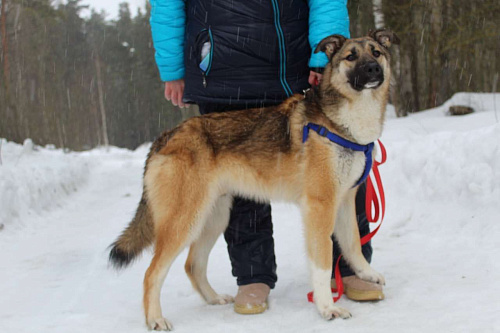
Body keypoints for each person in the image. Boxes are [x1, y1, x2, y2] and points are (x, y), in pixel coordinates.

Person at [150, 0, 384, 314]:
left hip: (290, 61)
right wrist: (172, 68)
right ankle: (252, 277)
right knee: (237, 200)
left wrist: (322, 56)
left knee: (336, 185)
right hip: (220, 67)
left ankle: (349, 268)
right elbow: (167, 5)